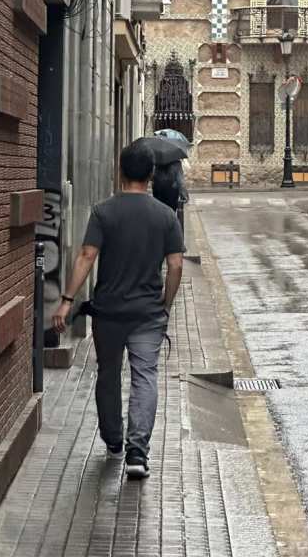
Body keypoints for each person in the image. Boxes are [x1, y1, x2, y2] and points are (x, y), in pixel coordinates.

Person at [52, 138, 184, 480]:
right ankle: (137, 451)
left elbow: (86, 257)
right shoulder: (166, 216)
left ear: (120, 171)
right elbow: (176, 266)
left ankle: (113, 439)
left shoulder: (103, 211)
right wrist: (164, 305)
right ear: (152, 175)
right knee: (145, 377)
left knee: (108, 375)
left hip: (108, 314)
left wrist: (67, 301)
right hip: (148, 315)